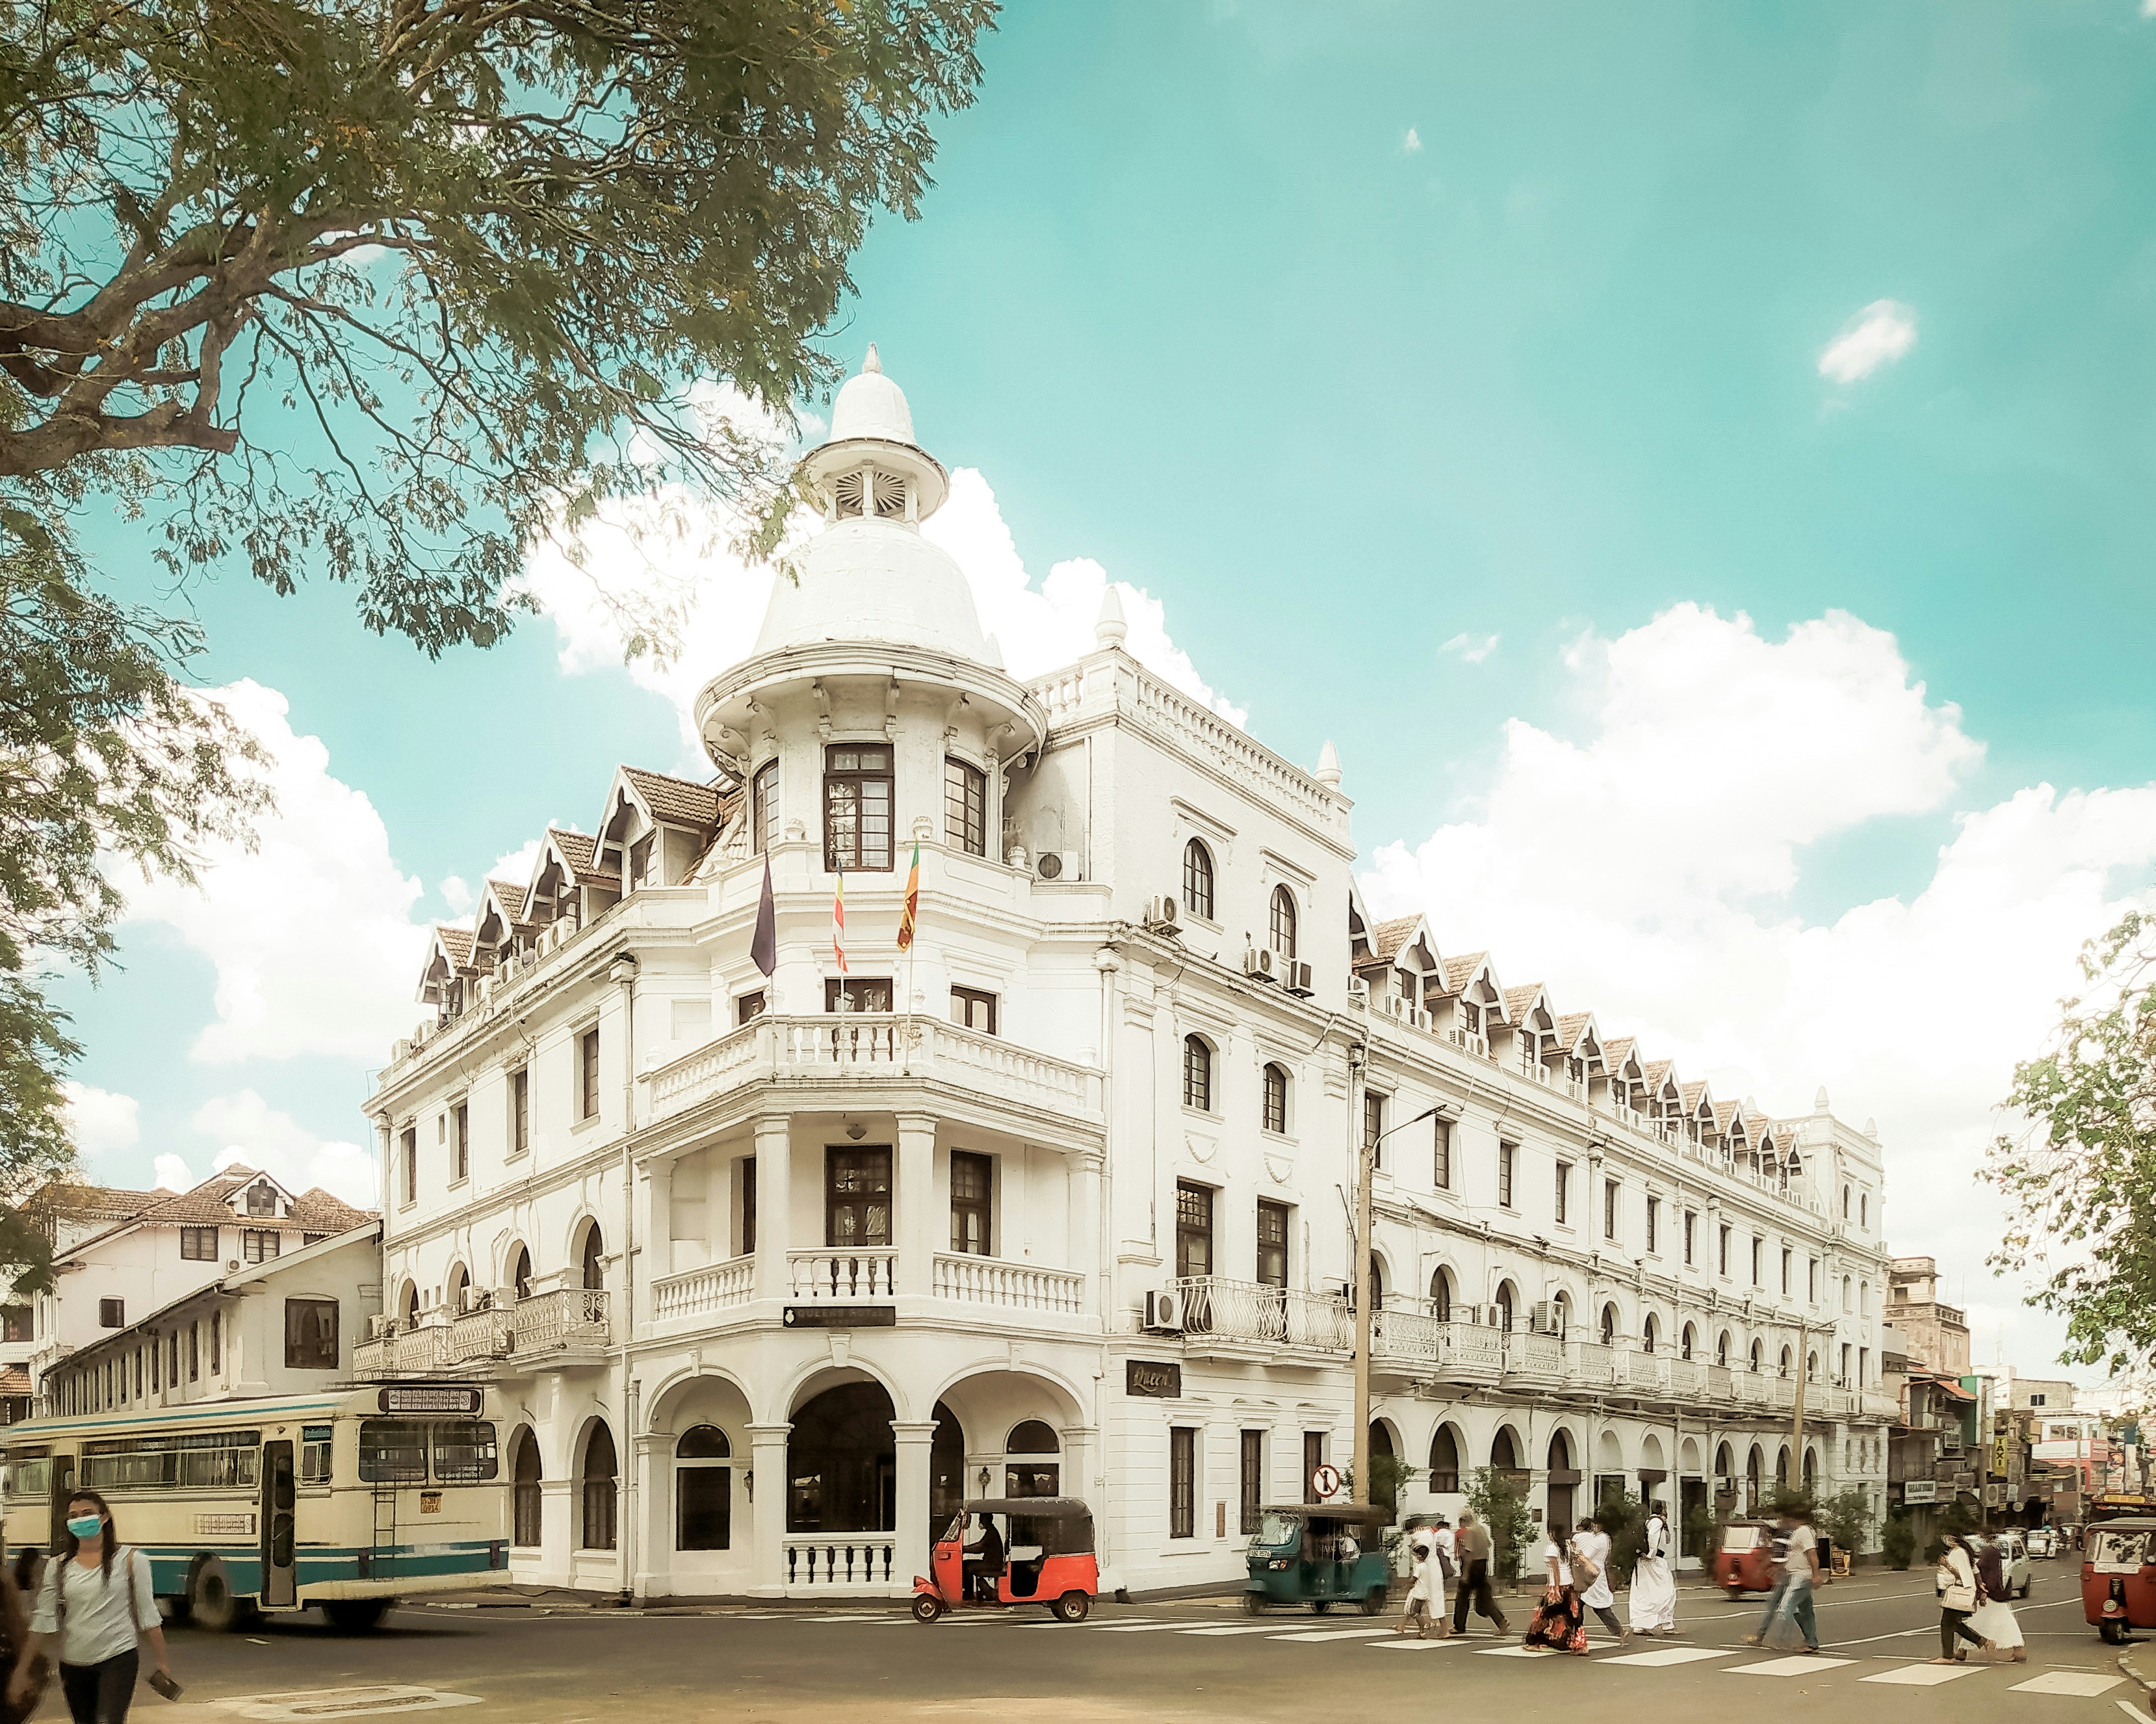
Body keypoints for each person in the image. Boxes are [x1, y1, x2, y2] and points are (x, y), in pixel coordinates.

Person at [8, 1492, 168, 1724]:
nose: (80, 1520)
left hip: (118, 1657)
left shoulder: (132, 1560)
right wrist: (22, 1670)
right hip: (73, 1664)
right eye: (74, 1516)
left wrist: (162, 1662)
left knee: (108, 1720)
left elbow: (149, 1616)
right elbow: (42, 1620)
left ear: (104, 1518)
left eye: (87, 1514)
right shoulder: (59, 1566)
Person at [1742, 1506, 1821, 1654]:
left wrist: (1816, 1575)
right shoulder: (1799, 1532)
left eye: (1784, 1518)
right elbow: (1793, 1555)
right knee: (1805, 1611)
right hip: (1795, 1574)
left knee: (1787, 1607)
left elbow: (1812, 1554)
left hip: (1801, 1576)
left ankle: (1782, 1640)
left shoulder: (1803, 1531)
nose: (1782, 1521)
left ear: (1792, 1519)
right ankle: (1811, 1642)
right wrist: (1782, 1568)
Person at [1522, 1526, 1589, 1654]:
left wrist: (1556, 1588)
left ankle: (1536, 1642)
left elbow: (1555, 1570)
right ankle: (1579, 1644)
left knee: (1543, 1614)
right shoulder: (1568, 1547)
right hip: (1569, 1584)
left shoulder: (1552, 1548)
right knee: (1571, 1616)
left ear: (1552, 1534)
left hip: (1558, 1586)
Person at [1451, 1510, 1511, 1636]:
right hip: (1483, 1564)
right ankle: (1501, 1621)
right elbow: (1488, 1544)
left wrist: (1465, 1573)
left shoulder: (1470, 1531)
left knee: (1463, 1597)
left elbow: (1469, 1554)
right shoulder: (1481, 1529)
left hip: (1473, 1566)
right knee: (1484, 1596)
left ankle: (1459, 1626)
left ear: (1464, 1520)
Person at [1969, 1536, 2027, 1664]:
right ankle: (2018, 1649)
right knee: (1980, 1620)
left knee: (1975, 1622)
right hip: (1996, 1595)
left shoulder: (1989, 1553)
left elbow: (1990, 1576)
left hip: (1992, 1595)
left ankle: (2018, 1649)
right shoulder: (1993, 1553)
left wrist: (1985, 1591)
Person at [1931, 1532, 1987, 1665]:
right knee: (1954, 1624)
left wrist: (1946, 1565)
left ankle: (1948, 1656)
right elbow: (1975, 1571)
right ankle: (1984, 1642)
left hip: (1959, 1592)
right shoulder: (1960, 1552)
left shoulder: (1959, 1552)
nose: (1947, 1541)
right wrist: (1980, 1585)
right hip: (1958, 1591)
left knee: (1947, 1624)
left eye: (1949, 1538)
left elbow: (1963, 1574)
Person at [1571, 1517, 1627, 1645]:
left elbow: (1587, 1556)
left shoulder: (1599, 1540)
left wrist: (1577, 1553)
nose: (1594, 1527)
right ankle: (1618, 1631)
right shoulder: (1605, 1538)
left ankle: (1577, 1633)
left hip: (1592, 1576)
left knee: (1593, 1606)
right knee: (1584, 1604)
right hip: (1596, 1574)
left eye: (1596, 1525)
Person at [1629, 1500, 1678, 1636]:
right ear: (1662, 1509)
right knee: (1668, 1591)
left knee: (1644, 1592)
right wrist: (1651, 1554)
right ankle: (1666, 1623)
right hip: (1654, 1561)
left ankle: (1640, 1624)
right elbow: (1653, 1537)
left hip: (1645, 1561)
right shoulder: (1657, 1522)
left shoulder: (1648, 1521)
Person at [1397, 1520, 1441, 1639]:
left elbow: (1414, 1578)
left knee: (1412, 1611)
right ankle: (1421, 1631)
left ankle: (1424, 1624)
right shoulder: (1428, 1566)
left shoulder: (1421, 1566)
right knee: (1415, 1610)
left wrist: (1406, 1585)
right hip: (1423, 1592)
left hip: (1418, 1592)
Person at [962, 1512, 1005, 1602]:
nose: (980, 1522)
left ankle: (968, 1594)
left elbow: (979, 1548)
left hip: (992, 1564)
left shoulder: (991, 1533)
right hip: (990, 1562)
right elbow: (979, 1545)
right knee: (966, 1563)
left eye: (981, 1520)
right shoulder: (991, 1531)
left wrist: (964, 1549)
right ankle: (968, 1592)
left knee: (968, 1568)